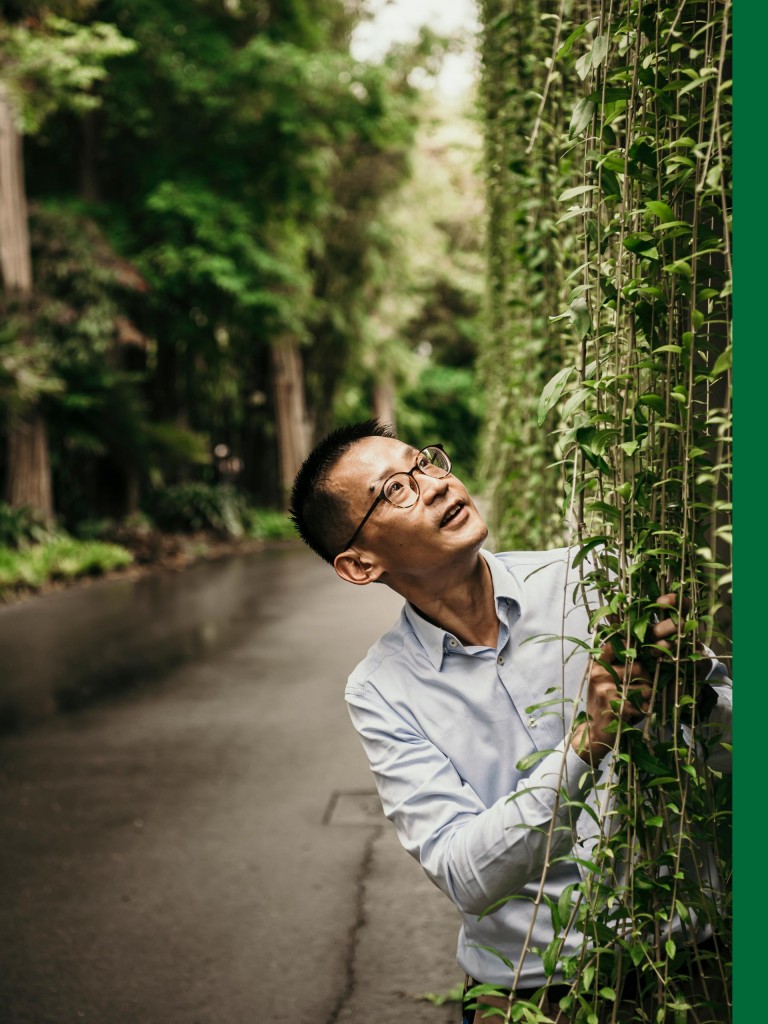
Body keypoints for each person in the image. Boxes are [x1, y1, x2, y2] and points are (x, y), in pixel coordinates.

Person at [288, 420, 732, 1023]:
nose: (437, 483)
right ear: (360, 564)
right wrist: (584, 747)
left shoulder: (591, 580)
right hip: (531, 991)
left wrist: (697, 694)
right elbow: (464, 874)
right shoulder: (381, 690)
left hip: (687, 960)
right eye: (396, 489)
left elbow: (732, 754)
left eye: (425, 462)